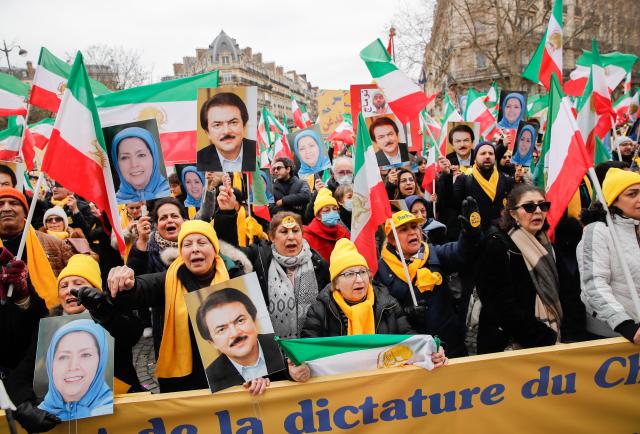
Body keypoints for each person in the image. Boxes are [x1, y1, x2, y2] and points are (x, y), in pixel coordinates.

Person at [108, 220, 246, 392]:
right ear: (181, 252)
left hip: (231, 377)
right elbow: (142, 288)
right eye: (187, 244)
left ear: (214, 249)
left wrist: (256, 374)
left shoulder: (236, 278)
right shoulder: (168, 280)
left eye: (202, 242)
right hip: (185, 383)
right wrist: (130, 285)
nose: (195, 248)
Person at [476, 184, 583, 353]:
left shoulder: (548, 246)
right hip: (513, 348)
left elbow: (569, 294)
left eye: (543, 205)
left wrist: (570, 337)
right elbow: (501, 306)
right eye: (529, 207)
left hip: (559, 342)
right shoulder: (497, 246)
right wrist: (547, 339)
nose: (538, 211)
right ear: (513, 213)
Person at [213, 194, 329, 339]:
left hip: (310, 348)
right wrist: (226, 213)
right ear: (272, 237)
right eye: (284, 231)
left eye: (295, 230)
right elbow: (229, 251)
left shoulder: (318, 263)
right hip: (272, 349)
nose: (291, 236)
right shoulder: (258, 257)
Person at [375, 206, 482, 357]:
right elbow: (382, 311)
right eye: (404, 230)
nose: (412, 232)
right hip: (412, 349)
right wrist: (406, 311)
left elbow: (460, 252)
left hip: (449, 343)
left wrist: (469, 234)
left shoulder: (434, 253)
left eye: (414, 227)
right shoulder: (382, 270)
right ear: (392, 240)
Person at [577, 168, 640, 344]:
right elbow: (594, 285)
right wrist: (625, 326)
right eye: (632, 194)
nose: (639, 198)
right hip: (613, 336)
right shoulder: (598, 231)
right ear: (614, 200)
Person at [196, 288, 286, 393]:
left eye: (240, 321)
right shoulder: (211, 379)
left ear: (254, 321)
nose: (235, 333)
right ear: (212, 343)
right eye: (221, 329)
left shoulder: (282, 345)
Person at [436, 142, 516, 239]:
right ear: (474, 159)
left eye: (491, 153)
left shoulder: (505, 179)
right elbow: (450, 202)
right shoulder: (464, 180)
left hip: (500, 238)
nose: (487, 156)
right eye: (483, 153)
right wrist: (447, 175)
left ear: (495, 158)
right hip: (475, 239)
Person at [39, 319, 113, 420]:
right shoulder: (36, 416)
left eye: (85, 355)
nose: (73, 367)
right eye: (63, 357)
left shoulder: (118, 411)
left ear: (100, 361)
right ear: (50, 363)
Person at [197, 92, 256, 172]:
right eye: (217, 125)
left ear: (244, 126)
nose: (226, 131)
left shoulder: (260, 153)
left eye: (233, 122)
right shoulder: (198, 161)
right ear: (208, 133)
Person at [111, 127, 171, 203]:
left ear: (154, 157)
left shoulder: (173, 193)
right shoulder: (113, 204)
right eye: (125, 157)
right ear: (117, 163)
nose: (134, 164)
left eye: (141, 155)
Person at [303, 188, 350, 261]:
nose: (332, 212)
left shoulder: (343, 232)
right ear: (318, 216)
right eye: (326, 210)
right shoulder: (308, 236)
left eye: (334, 209)